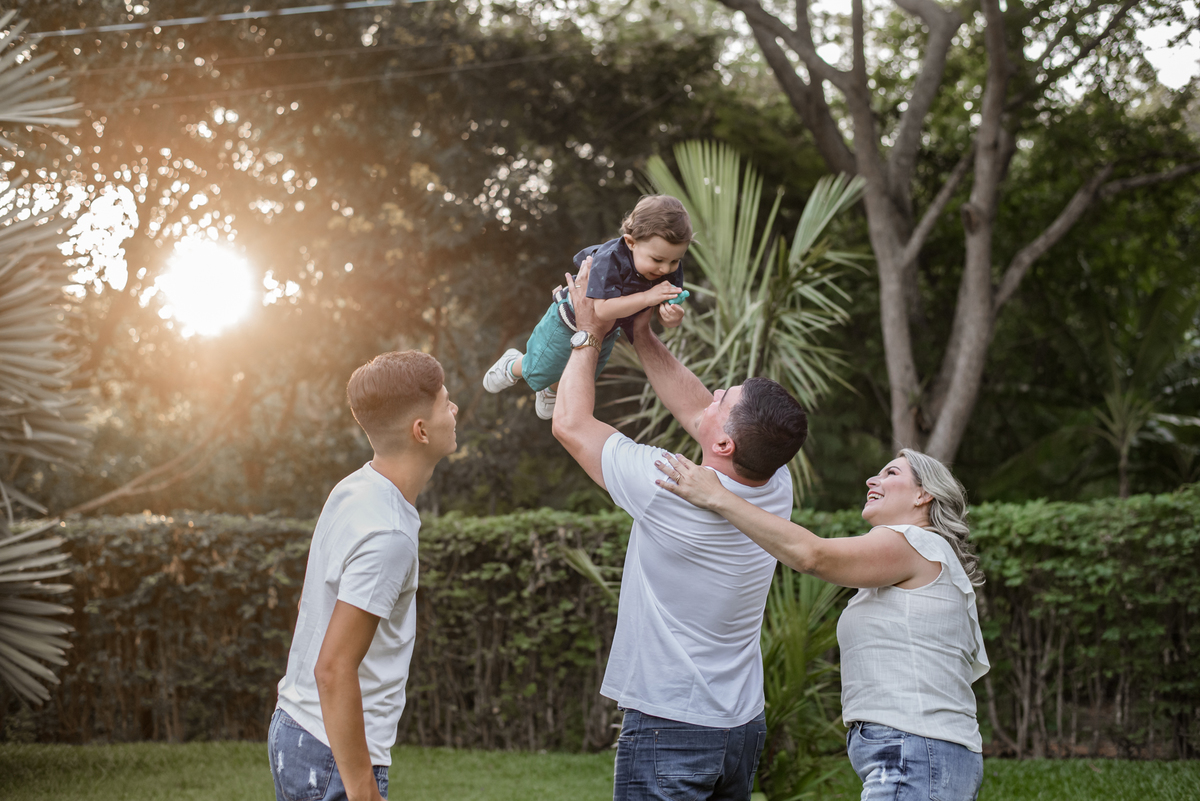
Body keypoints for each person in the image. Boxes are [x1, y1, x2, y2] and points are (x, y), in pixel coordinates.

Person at [551, 258, 808, 801]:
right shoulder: (773, 480)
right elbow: (698, 412)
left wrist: (587, 333)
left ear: (725, 445)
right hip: (740, 726)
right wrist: (641, 333)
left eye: (722, 399)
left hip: (671, 725)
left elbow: (570, 424)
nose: (710, 396)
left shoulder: (668, 484)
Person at [654, 448, 990, 801]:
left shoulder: (915, 543)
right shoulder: (920, 555)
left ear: (924, 495)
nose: (872, 480)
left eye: (891, 473)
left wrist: (718, 496)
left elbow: (813, 555)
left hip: (917, 751)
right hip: (922, 752)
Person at [269, 351, 458, 801]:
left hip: (298, 728)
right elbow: (333, 668)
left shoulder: (355, 487)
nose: (454, 410)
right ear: (421, 431)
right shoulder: (388, 533)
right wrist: (363, 791)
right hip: (331, 754)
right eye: (445, 403)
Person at [482, 194, 691, 420]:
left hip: (606, 331)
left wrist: (671, 317)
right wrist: (648, 297)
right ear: (631, 243)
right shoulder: (610, 258)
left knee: (584, 372)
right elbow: (601, 310)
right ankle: (512, 365)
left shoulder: (667, 265)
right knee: (540, 366)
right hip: (568, 321)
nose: (665, 269)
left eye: (674, 261)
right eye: (657, 260)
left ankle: (550, 389)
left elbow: (663, 309)